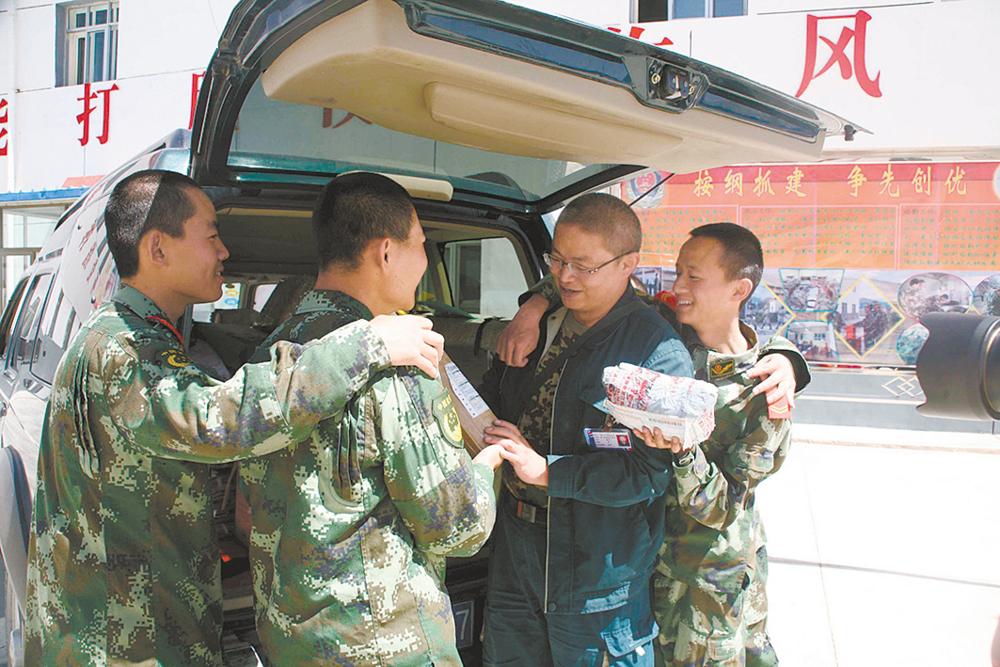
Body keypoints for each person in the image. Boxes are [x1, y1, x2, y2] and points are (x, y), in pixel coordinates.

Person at [23, 170, 443, 666]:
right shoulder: (122, 350)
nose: (224, 251)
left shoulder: (135, 337)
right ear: (157, 248)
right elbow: (213, 421)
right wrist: (366, 344)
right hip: (118, 639)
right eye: (211, 236)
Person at [239, 172, 500, 665]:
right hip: (383, 646)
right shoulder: (396, 359)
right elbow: (455, 526)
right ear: (385, 252)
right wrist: (486, 468)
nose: (425, 260)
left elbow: (245, 513)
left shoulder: (268, 356)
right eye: (421, 244)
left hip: (290, 639)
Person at [478, 193, 694, 666]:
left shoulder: (656, 352)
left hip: (597, 576)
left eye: (583, 266)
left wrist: (548, 471)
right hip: (517, 552)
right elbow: (495, 398)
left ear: (627, 264)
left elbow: (648, 473)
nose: (565, 276)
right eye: (557, 260)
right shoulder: (538, 325)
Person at [636, 223, 796, 666]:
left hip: (706, 584)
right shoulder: (669, 338)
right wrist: (536, 304)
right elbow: (595, 274)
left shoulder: (763, 392)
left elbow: (724, 507)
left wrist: (683, 450)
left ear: (739, 289)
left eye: (693, 276)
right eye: (677, 273)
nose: (678, 287)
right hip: (645, 563)